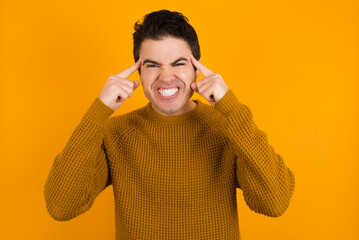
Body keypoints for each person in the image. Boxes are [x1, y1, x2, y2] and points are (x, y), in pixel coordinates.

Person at [44, 9, 295, 239]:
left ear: (197, 69)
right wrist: (98, 111)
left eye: (179, 63)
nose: (165, 77)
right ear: (138, 73)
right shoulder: (116, 133)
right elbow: (60, 205)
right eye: (152, 65)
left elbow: (274, 202)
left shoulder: (227, 128)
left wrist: (232, 109)